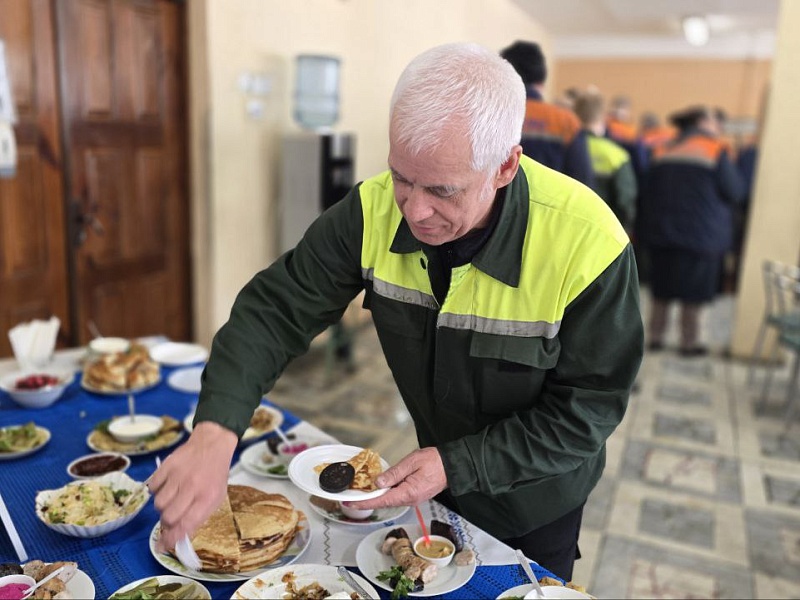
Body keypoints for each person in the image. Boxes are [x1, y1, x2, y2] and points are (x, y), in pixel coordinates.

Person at [149, 42, 644, 581]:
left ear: (505, 165)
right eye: (402, 177)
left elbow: (588, 411)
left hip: (536, 498)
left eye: (442, 190)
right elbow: (275, 311)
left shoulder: (588, 244)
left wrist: (456, 465)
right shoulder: (374, 208)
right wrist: (215, 434)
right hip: (434, 484)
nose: (414, 210)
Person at [639, 105, 745, 356]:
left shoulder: (663, 149)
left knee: (661, 290)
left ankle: (655, 337)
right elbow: (735, 191)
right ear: (701, 123)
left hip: (663, 233)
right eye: (713, 121)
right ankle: (690, 342)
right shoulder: (715, 150)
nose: (718, 126)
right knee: (694, 293)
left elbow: (647, 190)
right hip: (701, 236)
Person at [499, 40, 594, 186]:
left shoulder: (492, 115)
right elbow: (582, 181)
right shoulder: (566, 121)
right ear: (542, 81)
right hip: (551, 206)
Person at [572, 90, 638, 233]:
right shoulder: (616, 155)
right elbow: (625, 201)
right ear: (601, 116)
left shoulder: (566, 149)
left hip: (568, 227)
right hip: (604, 231)